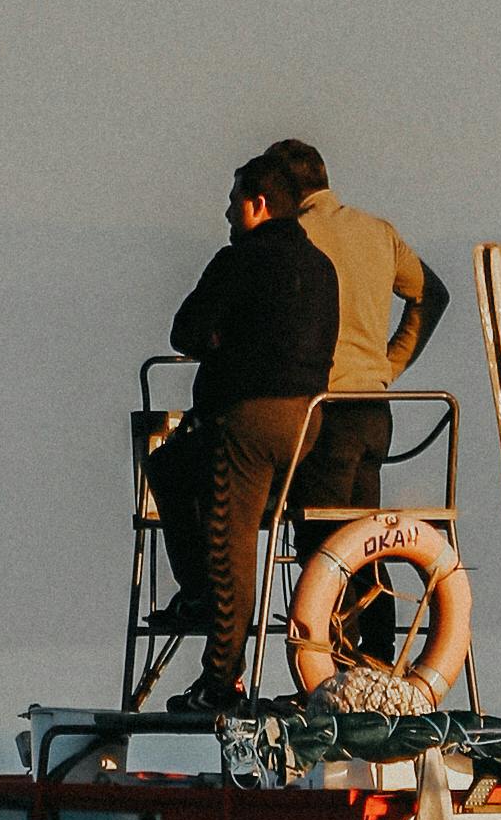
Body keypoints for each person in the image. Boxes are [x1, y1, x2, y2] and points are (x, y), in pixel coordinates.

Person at [147, 154, 340, 703]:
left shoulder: (239, 261)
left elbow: (186, 331)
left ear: (258, 205)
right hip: (308, 422)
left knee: (231, 550)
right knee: (172, 467)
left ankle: (219, 678)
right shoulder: (321, 266)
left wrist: (221, 344)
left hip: (247, 423)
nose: (227, 211)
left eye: (234, 200)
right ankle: (201, 593)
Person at [258, 138, 449, 663]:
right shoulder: (376, 232)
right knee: (367, 540)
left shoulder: (291, 239)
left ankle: (340, 664)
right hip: (372, 408)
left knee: (325, 545)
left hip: (322, 412)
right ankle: (382, 657)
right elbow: (431, 295)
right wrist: (390, 363)